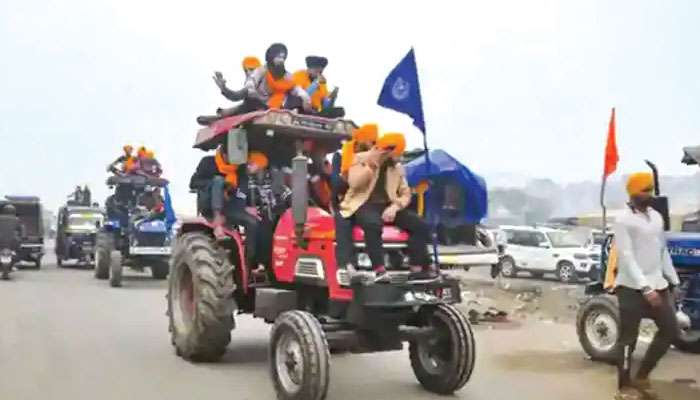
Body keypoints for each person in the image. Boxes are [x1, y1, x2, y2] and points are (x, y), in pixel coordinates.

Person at [613, 172, 681, 400]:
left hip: (658, 284)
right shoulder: (623, 219)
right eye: (645, 190)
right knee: (627, 339)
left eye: (650, 190)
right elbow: (626, 256)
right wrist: (645, 288)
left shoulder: (656, 217)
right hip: (632, 287)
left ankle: (642, 376)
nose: (649, 194)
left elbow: (662, 252)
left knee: (670, 330)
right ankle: (624, 386)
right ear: (633, 192)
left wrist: (674, 281)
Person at [338, 133, 437, 283]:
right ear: (388, 151)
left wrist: (395, 207)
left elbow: (405, 193)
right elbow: (354, 183)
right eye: (398, 154)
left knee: (420, 225)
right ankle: (379, 269)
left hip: (388, 204)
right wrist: (372, 165)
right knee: (372, 224)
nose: (401, 158)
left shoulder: (397, 168)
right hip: (362, 203)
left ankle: (417, 266)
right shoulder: (361, 158)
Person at [189, 142, 258, 268]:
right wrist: (219, 185)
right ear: (224, 155)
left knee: (253, 222)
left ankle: (249, 262)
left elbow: (243, 190)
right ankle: (217, 222)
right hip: (210, 204)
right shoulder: (208, 162)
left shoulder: (240, 169)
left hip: (231, 207)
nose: (235, 161)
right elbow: (193, 183)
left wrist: (247, 206)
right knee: (218, 180)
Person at [245, 151, 291, 272]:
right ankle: (261, 263)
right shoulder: (247, 182)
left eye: (251, 164)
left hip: (277, 216)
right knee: (262, 227)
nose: (248, 166)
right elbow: (244, 199)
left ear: (260, 164)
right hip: (258, 216)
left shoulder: (274, 180)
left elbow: (288, 194)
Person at [242, 43, 311, 112]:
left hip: (278, 106)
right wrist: (250, 88)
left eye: (283, 58)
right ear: (271, 57)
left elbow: (294, 88)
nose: (281, 60)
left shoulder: (286, 75)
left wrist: (304, 95)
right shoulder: (262, 70)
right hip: (260, 103)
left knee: (298, 100)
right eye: (278, 57)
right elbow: (251, 81)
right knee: (249, 100)